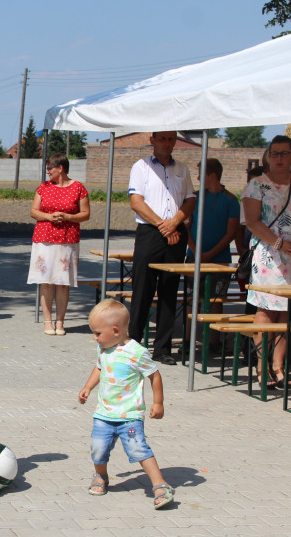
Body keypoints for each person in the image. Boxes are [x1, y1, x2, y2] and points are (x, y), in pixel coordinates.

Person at [77, 298, 174, 509]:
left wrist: (158, 403)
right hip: (103, 414)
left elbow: (154, 376)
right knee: (98, 448)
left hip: (129, 415)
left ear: (115, 330)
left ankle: (160, 485)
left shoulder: (137, 352)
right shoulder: (104, 348)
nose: (94, 338)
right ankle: (100, 476)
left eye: (97, 333)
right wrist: (88, 387)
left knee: (139, 449)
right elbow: (99, 368)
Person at [242, 135, 291, 388]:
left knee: (287, 312)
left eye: (284, 153)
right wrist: (278, 243)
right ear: (267, 156)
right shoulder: (257, 185)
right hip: (269, 255)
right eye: (274, 153)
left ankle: (279, 366)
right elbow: (253, 221)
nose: (279, 158)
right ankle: (261, 365)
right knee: (266, 309)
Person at [127, 131, 195, 363]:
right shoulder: (141, 167)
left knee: (169, 291)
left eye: (170, 139)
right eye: (162, 139)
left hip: (176, 233)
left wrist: (174, 223)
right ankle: (133, 344)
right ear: (153, 141)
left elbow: (189, 199)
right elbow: (136, 201)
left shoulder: (182, 169)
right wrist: (162, 225)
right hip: (150, 233)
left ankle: (163, 349)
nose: (167, 143)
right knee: (143, 290)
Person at [27, 152, 91, 336]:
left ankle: (60, 321)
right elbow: (34, 211)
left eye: (50, 168)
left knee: (63, 282)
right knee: (46, 281)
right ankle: (48, 322)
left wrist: (68, 217)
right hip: (44, 238)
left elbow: (85, 214)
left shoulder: (78, 187)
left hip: (67, 239)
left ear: (60, 168)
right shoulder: (43, 187)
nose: (47, 172)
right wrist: (49, 216)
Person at [187, 158, 239, 319]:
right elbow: (186, 227)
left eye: (200, 175)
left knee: (216, 300)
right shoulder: (193, 199)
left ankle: (214, 341)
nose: (197, 179)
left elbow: (231, 232)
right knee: (191, 300)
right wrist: (197, 254)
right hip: (193, 257)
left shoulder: (231, 200)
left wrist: (209, 255)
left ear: (212, 175)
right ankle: (188, 338)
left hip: (220, 259)